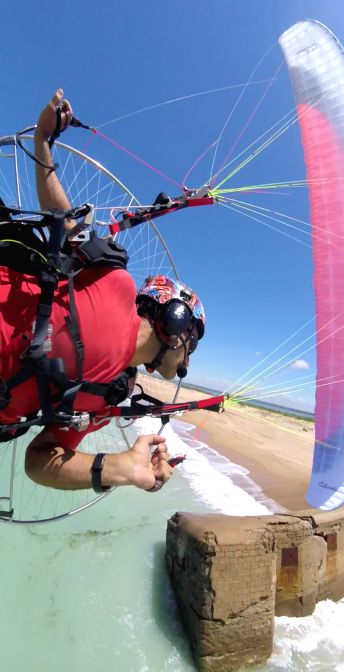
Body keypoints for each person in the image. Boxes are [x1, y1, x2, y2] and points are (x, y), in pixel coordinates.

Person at [0, 89, 205, 495]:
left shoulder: (106, 402)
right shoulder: (115, 283)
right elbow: (63, 221)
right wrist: (43, 142)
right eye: (192, 345)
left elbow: (40, 461)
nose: (187, 359)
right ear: (177, 321)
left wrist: (126, 468)